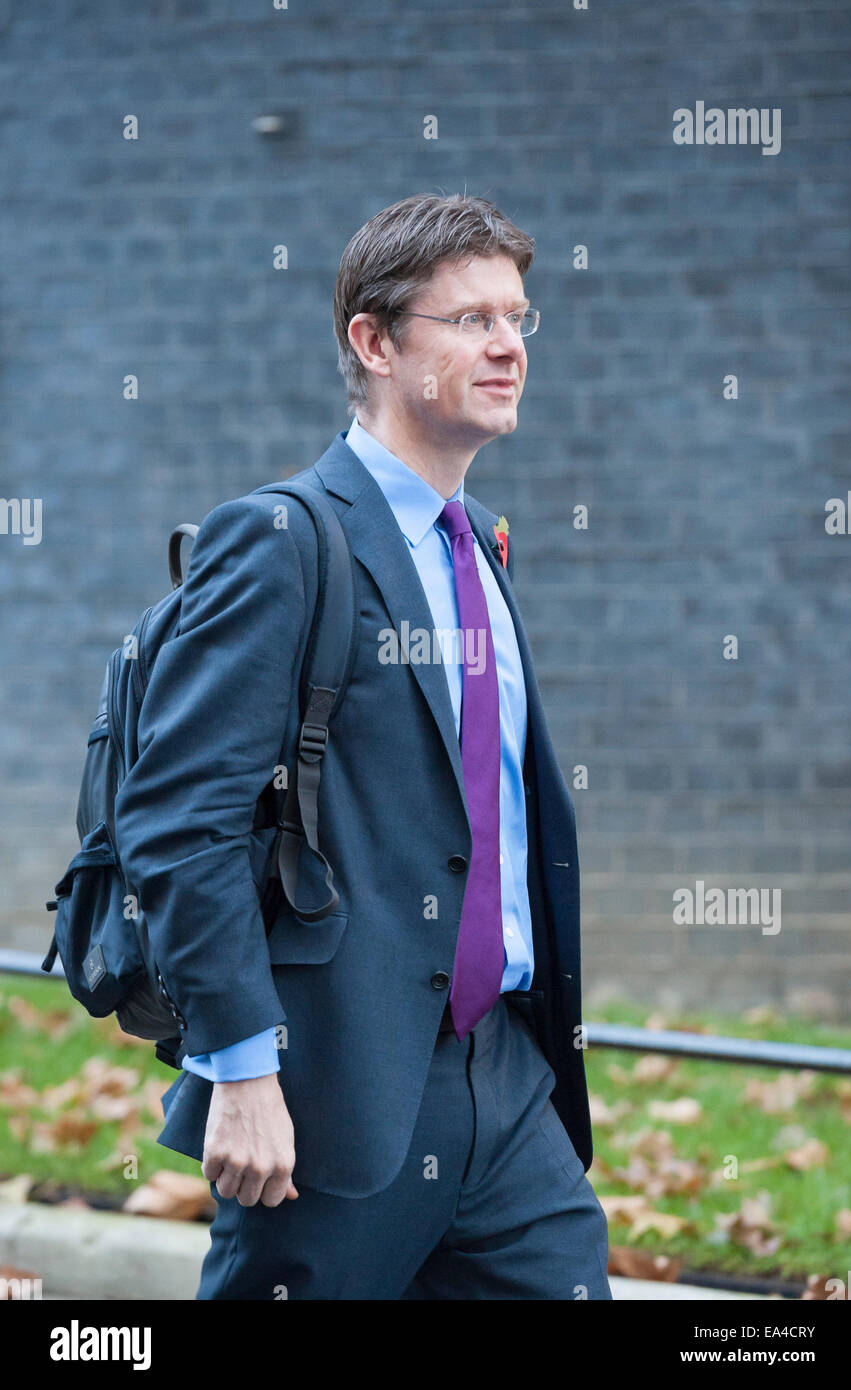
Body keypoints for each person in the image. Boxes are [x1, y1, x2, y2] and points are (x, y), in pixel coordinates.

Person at [114, 192, 612, 1300]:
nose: (507, 346)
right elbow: (178, 818)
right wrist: (240, 1066)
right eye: (471, 319)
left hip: (508, 1084)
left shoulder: (483, 544)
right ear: (375, 342)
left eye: (519, 318)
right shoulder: (284, 538)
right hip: (334, 1093)